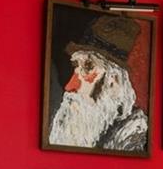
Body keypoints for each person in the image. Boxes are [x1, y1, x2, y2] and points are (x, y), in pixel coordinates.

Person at [48, 14, 148, 152]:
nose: (70, 86)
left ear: (113, 82)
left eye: (88, 68)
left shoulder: (133, 132)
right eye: (75, 67)